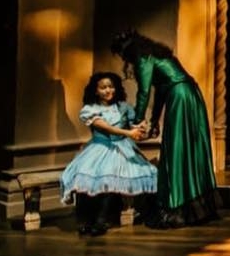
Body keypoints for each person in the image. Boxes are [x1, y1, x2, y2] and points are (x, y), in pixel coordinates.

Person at [110, 29, 220, 229]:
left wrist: (137, 122)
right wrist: (153, 121)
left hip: (180, 96)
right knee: (188, 148)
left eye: (123, 56)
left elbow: (144, 92)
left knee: (175, 150)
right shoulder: (158, 55)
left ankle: (177, 207)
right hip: (190, 94)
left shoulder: (143, 58)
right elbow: (160, 89)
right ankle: (195, 205)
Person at [59, 71, 159, 234]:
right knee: (84, 175)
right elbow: (104, 127)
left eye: (111, 87)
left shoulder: (123, 107)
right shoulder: (90, 109)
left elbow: (136, 130)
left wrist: (145, 131)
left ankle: (101, 220)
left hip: (122, 148)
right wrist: (128, 133)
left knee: (111, 175)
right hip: (99, 148)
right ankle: (84, 220)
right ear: (95, 90)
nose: (108, 90)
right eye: (103, 87)